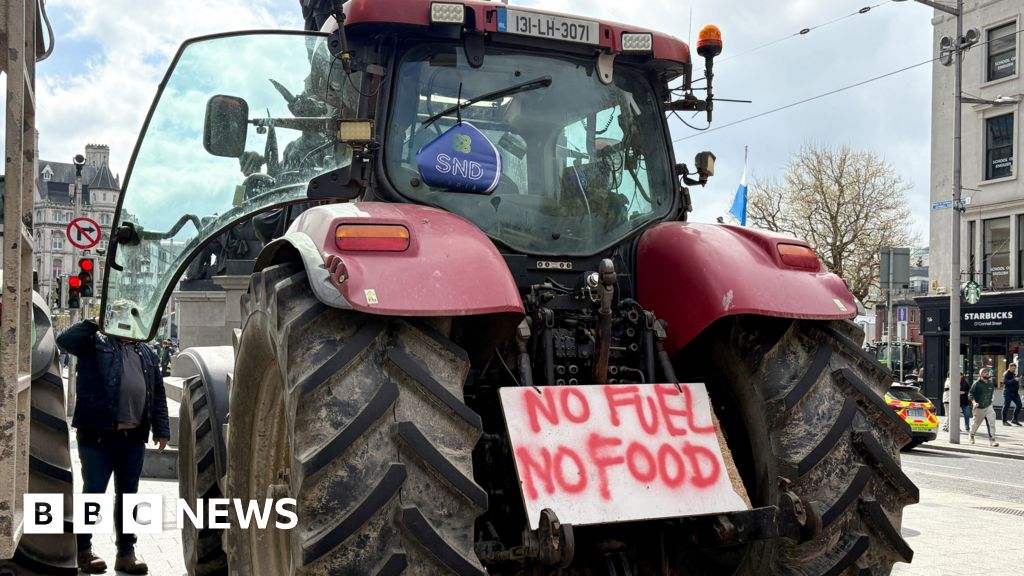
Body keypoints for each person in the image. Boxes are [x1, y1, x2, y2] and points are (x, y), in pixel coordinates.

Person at [56, 320, 170, 575]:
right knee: (94, 493)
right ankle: (83, 551)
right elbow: (64, 341)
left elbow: (158, 393)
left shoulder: (146, 352)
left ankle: (126, 554)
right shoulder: (95, 343)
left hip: (133, 437)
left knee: (129, 497)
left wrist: (162, 429)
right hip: (98, 435)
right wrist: (95, 322)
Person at [969, 368, 999, 447]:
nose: (987, 373)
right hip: (979, 407)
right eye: (984, 372)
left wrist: (991, 400)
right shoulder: (976, 383)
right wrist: (974, 402)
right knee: (976, 424)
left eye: (987, 372)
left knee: (991, 423)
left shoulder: (990, 383)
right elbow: (970, 394)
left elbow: (991, 394)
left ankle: (992, 440)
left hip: (988, 406)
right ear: (980, 374)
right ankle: (972, 435)